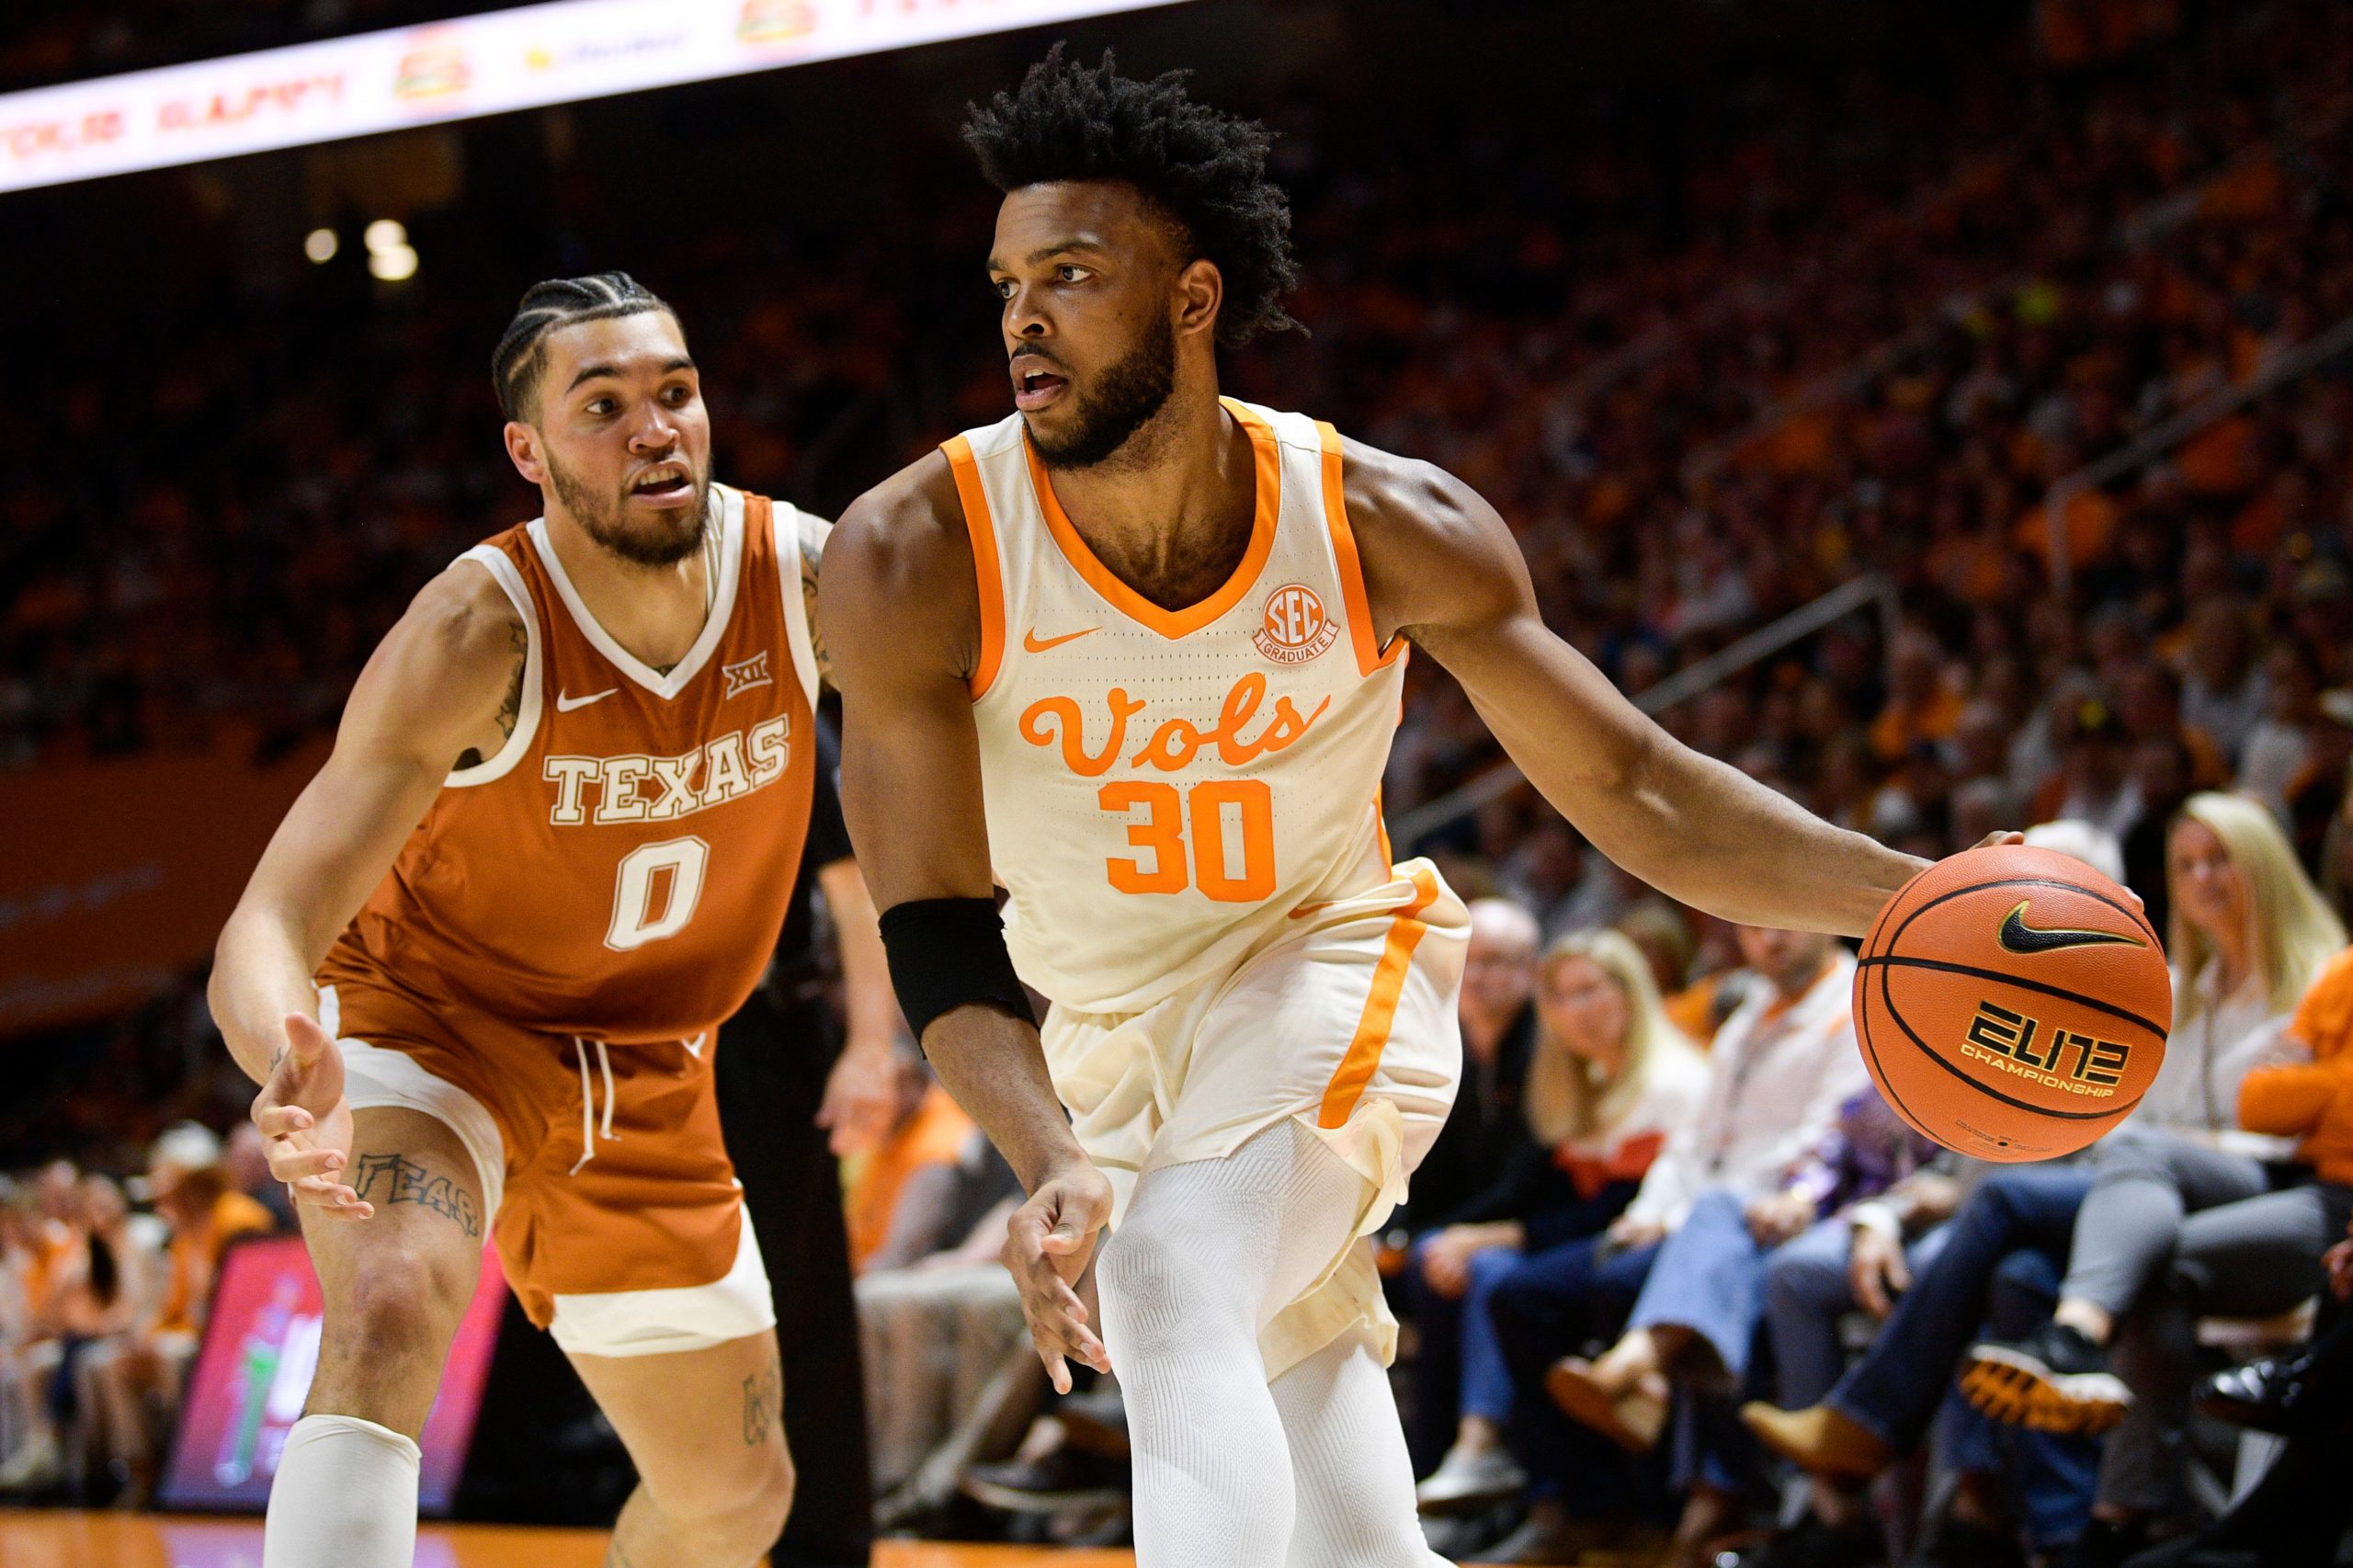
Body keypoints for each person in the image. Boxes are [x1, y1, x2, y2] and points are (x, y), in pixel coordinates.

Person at [821, 51, 1954, 1568]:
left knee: (1166, 1286)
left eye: (1072, 274)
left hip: (1324, 970)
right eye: (1007, 279)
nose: (1022, 316)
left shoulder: (1378, 524)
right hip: (1105, 1034)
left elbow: (1631, 782)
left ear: (1192, 299)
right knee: (1350, 1532)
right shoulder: (913, 554)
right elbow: (940, 931)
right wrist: (1046, 1155)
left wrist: (1909, 899)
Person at [209, 273, 830, 1568]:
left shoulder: (809, 575)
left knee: (736, 1500)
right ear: (529, 450)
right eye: (603, 405)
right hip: (441, 1031)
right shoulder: (475, 630)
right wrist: (286, 1049)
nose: (655, 428)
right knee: (386, 1304)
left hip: (654, 1070)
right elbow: (269, 917)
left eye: (675, 392)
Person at [1962, 795, 2349, 1560]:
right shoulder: (2184, 993)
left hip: (2303, 1190)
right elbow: (2263, 1099)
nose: (2204, 878)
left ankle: (2074, 1354)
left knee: (2053, 1189)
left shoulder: (2324, 970)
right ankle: (2112, 1521)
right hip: (2198, 1192)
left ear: (2266, 866)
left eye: (2220, 858)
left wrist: (2300, 1091)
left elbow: (2274, 1108)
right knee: (2093, 1260)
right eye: (2187, 865)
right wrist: (2294, 1093)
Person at [1408, 928, 1706, 1526]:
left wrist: (1494, 1236)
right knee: (1462, 1270)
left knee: (1517, 1291)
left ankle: (1549, 1488)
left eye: (1590, 992)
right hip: (1604, 1240)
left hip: (1660, 1241)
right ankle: (1482, 1480)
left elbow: (1618, 1211)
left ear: (1630, 993)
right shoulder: (1584, 1084)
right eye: (1561, 999)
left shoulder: (1672, 1080)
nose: (1576, 1013)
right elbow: (1544, 1196)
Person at [713, 725, 900, 1568]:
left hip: (764, 1038)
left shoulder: (783, 714)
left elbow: (851, 891)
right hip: (634, 1039)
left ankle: (823, 1544)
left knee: (801, 1292)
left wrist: (870, 1048)